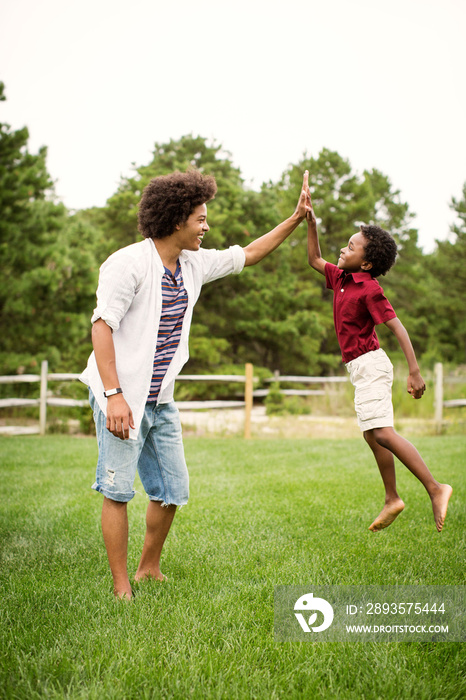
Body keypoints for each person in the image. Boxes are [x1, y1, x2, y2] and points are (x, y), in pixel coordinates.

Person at [81, 169, 312, 599]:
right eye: (201, 219)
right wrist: (113, 395)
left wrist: (296, 219)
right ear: (176, 221)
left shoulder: (193, 264)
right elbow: (101, 326)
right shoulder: (128, 263)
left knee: (172, 489)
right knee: (117, 490)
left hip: (159, 398)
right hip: (121, 394)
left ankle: (148, 569)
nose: (206, 227)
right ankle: (120, 586)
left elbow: (249, 254)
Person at [306, 192, 452, 533]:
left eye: (351, 247)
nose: (343, 249)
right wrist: (310, 224)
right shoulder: (341, 279)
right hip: (359, 369)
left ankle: (435, 487)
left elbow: (397, 327)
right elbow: (314, 259)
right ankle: (392, 498)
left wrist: (414, 371)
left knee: (383, 433)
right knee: (372, 434)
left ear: (367, 263)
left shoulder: (369, 288)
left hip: (372, 364)